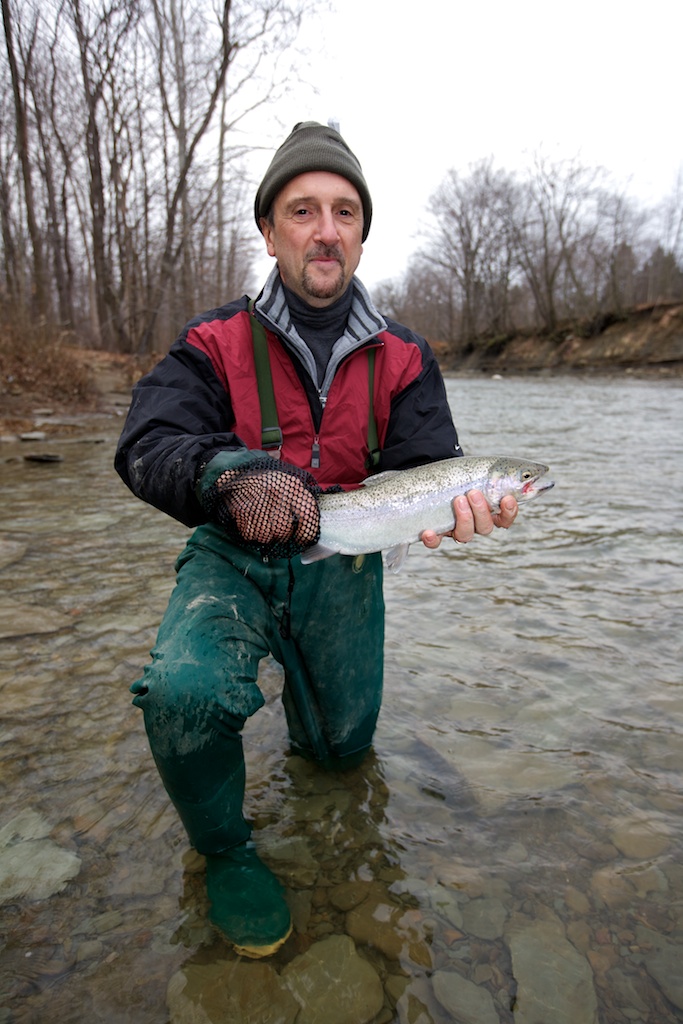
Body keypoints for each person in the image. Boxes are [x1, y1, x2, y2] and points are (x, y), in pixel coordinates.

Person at [114, 121, 518, 959]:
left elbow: (426, 467)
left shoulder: (407, 357)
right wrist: (227, 477)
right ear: (270, 230)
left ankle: (337, 842)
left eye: (343, 210)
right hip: (232, 555)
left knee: (340, 761)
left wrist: (465, 510)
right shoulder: (211, 341)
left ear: (362, 231)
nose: (325, 230)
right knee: (184, 695)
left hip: (347, 566)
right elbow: (145, 445)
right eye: (302, 210)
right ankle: (224, 852)